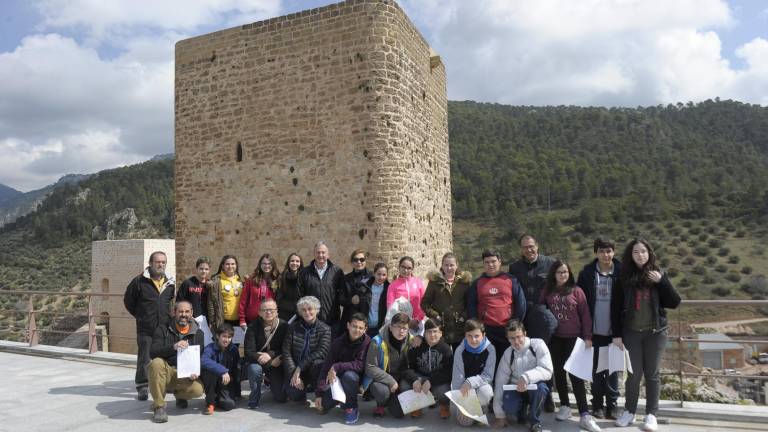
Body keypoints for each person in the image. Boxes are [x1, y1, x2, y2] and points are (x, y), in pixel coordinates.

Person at [612, 239, 681, 432]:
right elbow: (615, 307)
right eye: (636, 252)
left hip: (655, 333)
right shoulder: (623, 277)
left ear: (649, 253)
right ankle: (629, 412)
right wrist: (616, 334)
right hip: (631, 332)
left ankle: (651, 415)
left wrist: (662, 281)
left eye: (643, 251)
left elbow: (674, 302)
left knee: (652, 374)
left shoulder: (657, 275)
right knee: (632, 375)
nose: (640, 255)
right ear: (630, 255)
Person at [540, 260, 599, 432]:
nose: (562, 275)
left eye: (565, 272)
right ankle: (565, 406)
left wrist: (588, 336)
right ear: (554, 274)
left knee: (576, 376)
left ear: (570, 273)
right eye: (559, 272)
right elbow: (541, 311)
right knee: (558, 373)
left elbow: (586, 315)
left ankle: (584, 413)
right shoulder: (547, 291)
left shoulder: (577, 291)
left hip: (575, 338)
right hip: (555, 339)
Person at [508, 235, 558, 412]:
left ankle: (547, 395)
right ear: (520, 249)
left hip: (542, 317)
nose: (528, 250)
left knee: (544, 355)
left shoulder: (551, 264)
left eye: (531, 246)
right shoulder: (514, 268)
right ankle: (526, 397)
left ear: (537, 245)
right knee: (524, 354)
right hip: (523, 317)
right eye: (524, 247)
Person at [577, 237, 622, 420]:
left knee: (613, 371)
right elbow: (580, 302)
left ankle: (612, 406)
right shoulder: (587, 273)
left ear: (614, 252)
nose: (606, 254)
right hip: (594, 332)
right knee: (596, 370)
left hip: (615, 332)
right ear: (596, 252)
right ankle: (597, 405)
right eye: (602, 251)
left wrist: (621, 331)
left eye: (609, 250)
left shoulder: (622, 272)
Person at [124, 251, 176, 401]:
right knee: (145, 358)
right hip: (146, 328)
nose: (161, 265)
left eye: (163, 262)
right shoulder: (139, 281)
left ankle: (165, 383)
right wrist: (141, 316)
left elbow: (171, 302)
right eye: (158, 262)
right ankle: (142, 386)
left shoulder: (170, 283)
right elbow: (129, 301)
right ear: (150, 263)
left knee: (164, 357)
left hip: (164, 329)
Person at [146, 301, 204, 423]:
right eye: (180, 311)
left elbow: (199, 357)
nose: (184, 314)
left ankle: (180, 396)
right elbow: (153, 352)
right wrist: (173, 347)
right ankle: (159, 407)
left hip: (184, 374)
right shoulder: (162, 329)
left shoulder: (199, 334)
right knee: (156, 363)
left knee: (198, 389)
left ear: (192, 313)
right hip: (166, 370)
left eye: (187, 311)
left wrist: (195, 372)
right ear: (174, 312)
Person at [492, 320, 553, 432]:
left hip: (534, 387)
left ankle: (534, 421)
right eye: (512, 338)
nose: (516, 341)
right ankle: (521, 413)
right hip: (516, 388)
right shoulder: (508, 353)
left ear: (525, 333)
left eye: (519, 336)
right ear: (507, 338)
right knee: (509, 405)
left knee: (542, 389)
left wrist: (526, 377)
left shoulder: (538, 345)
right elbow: (500, 382)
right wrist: (499, 415)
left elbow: (548, 370)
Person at [467, 250, 526, 362]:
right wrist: (477, 327)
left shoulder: (511, 280)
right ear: (483, 264)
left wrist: (515, 323)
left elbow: (521, 303)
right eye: (487, 262)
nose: (490, 265)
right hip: (487, 330)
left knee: (509, 362)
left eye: (493, 261)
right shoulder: (477, 283)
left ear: (500, 262)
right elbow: (471, 306)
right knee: (489, 362)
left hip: (507, 329)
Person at [314, 312, 371, 424]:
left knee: (349, 376)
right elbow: (326, 367)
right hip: (337, 380)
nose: (357, 330)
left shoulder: (367, 342)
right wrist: (319, 394)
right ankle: (341, 398)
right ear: (348, 325)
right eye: (354, 326)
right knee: (323, 404)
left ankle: (351, 407)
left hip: (356, 379)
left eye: (361, 328)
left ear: (365, 329)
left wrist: (336, 366)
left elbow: (359, 365)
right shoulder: (338, 342)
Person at [283, 296, 332, 402]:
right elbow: (286, 351)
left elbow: (322, 352)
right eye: (303, 310)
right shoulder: (293, 328)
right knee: (294, 395)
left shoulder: (325, 329)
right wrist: (294, 373)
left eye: (310, 309)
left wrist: (300, 367)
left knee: (318, 363)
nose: (307, 312)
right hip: (296, 368)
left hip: (313, 368)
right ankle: (302, 391)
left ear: (316, 310)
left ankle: (318, 390)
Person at [363, 311, 412, 419]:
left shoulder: (411, 340)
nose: (401, 331)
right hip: (383, 380)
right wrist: (390, 381)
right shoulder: (377, 341)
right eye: (398, 327)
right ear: (390, 327)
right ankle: (381, 404)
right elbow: (370, 367)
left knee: (399, 414)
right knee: (381, 391)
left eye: (404, 328)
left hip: (401, 378)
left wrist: (420, 338)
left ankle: (394, 400)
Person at [402, 318, 453, 419]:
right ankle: (417, 405)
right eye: (429, 332)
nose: (432, 335)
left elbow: (448, 372)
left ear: (441, 333)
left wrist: (431, 381)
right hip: (420, 377)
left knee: (443, 390)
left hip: (437, 379)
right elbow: (407, 368)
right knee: (404, 385)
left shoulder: (446, 348)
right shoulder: (416, 346)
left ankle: (444, 406)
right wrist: (414, 380)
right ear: (424, 333)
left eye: (435, 331)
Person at [422, 252, 472, 351]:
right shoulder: (434, 283)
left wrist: (463, 316)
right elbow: (425, 303)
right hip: (441, 329)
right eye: (446, 265)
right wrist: (435, 316)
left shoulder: (464, 283)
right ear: (442, 266)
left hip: (459, 329)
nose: (449, 268)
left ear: (456, 265)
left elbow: (470, 303)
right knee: (443, 357)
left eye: (452, 265)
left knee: (459, 357)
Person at [245, 298, 289, 408]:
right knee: (254, 369)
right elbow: (249, 352)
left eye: (271, 310)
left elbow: (286, 348)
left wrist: (270, 354)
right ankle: (254, 399)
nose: (268, 312)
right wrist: (269, 362)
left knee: (281, 398)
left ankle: (270, 379)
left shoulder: (284, 326)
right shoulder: (252, 327)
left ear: (277, 311)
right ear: (259, 312)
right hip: (259, 362)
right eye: (264, 310)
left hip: (276, 362)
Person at [452, 319, 496, 426]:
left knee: (486, 393)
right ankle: (470, 409)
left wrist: (470, 382)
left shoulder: (490, 349)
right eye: (469, 336)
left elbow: (488, 376)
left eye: (477, 336)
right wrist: (461, 403)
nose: (473, 339)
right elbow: (457, 377)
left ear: (483, 335)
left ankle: (482, 407)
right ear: (465, 336)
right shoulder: (460, 350)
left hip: (481, 386)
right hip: (464, 388)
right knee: (465, 423)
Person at [297, 241, 346, 334]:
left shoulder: (337, 271)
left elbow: (342, 294)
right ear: (314, 254)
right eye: (318, 252)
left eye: (323, 252)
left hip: (332, 320)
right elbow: (300, 295)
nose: (321, 255)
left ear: (328, 254)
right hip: (311, 319)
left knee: (330, 347)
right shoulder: (304, 272)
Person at [200, 323, 239, 415]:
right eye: (224, 336)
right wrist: (223, 371)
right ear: (217, 336)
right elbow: (204, 360)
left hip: (225, 382)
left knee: (229, 405)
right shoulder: (210, 347)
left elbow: (235, 369)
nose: (227, 340)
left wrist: (237, 392)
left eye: (229, 337)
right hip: (212, 381)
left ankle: (218, 397)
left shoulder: (233, 349)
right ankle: (210, 403)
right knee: (208, 371)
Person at [240, 253, 280, 329]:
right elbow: (243, 300)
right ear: (260, 265)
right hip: (252, 319)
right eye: (264, 263)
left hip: (270, 320)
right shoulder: (251, 280)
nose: (266, 266)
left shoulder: (277, 280)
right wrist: (242, 319)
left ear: (273, 265)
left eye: (269, 264)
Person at [207, 255, 243, 333]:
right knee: (224, 344)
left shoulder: (240, 281)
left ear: (236, 265)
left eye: (233, 264)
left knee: (235, 344)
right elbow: (211, 303)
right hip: (223, 321)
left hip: (239, 321)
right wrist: (212, 320)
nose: (230, 266)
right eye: (227, 264)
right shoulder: (216, 282)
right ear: (222, 266)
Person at [386, 256, 426, 324]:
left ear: (412, 269)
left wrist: (418, 319)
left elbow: (425, 303)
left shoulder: (418, 282)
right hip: (400, 324)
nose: (405, 270)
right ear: (399, 267)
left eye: (409, 268)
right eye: (403, 267)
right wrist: (401, 322)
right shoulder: (393, 285)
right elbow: (390, 306)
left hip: (418, 322)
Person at [340, 249, 373, 327]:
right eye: (356, 260)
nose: (359, 262)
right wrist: (350, 300)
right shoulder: (346, 279)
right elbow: (340, 299)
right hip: (349, 319)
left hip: (367, 318)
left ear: (365, 261)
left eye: (362, 259)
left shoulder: (372, 277)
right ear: (352, 262)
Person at [364, 262, 390, 337]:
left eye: (384, 275)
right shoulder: (365, 287)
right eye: (378, 274)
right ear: (374, 273)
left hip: (380, 326)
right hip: (366, 326)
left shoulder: (389, 288)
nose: (381, 277)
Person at [276, 253, 303, 321]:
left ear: (300, 263)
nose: (294, 263)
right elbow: (279, 299)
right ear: (288, 262)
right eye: (292, 261)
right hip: (284, 315)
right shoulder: (281, 278)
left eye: (297, 261)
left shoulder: (304, 277)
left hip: (300, 315)